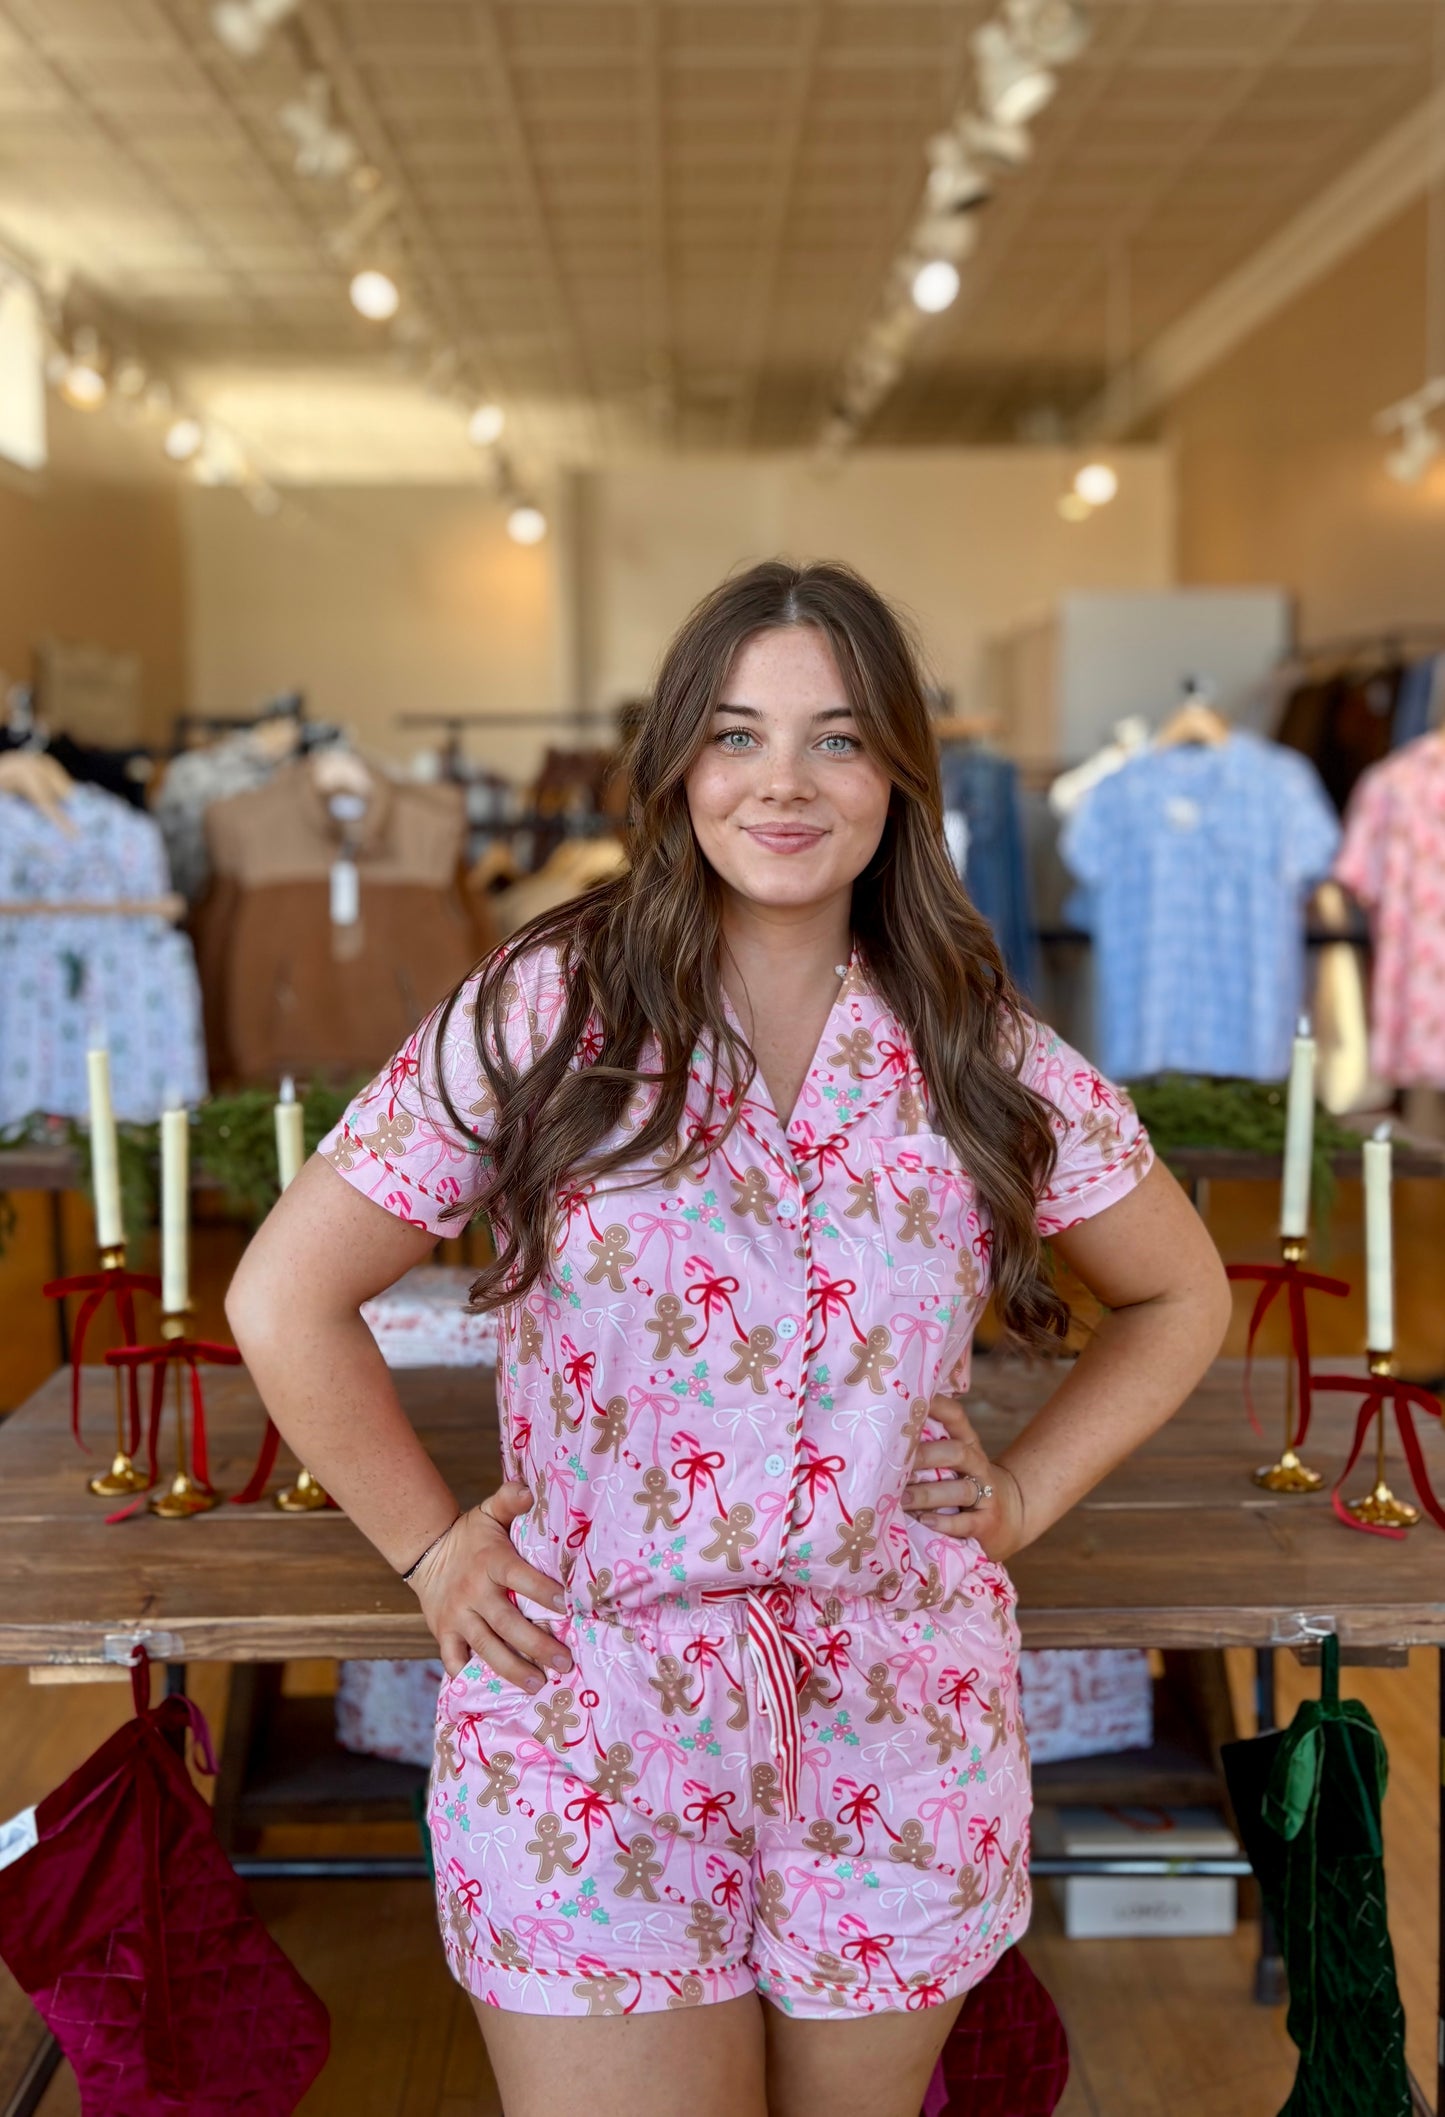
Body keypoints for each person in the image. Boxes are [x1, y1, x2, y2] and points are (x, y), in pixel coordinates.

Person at [227, 560, 1231, 2117]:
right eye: (735, 733)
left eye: (834, 739)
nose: (781, 781)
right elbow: (282, 1294)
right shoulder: (545, 1010)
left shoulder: (973, 1038)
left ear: (898, 773)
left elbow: (1179, 1292)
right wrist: (431, 1553)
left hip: (898, 1727)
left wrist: (1024, 1495)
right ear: (676, 761)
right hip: (588, 1722)